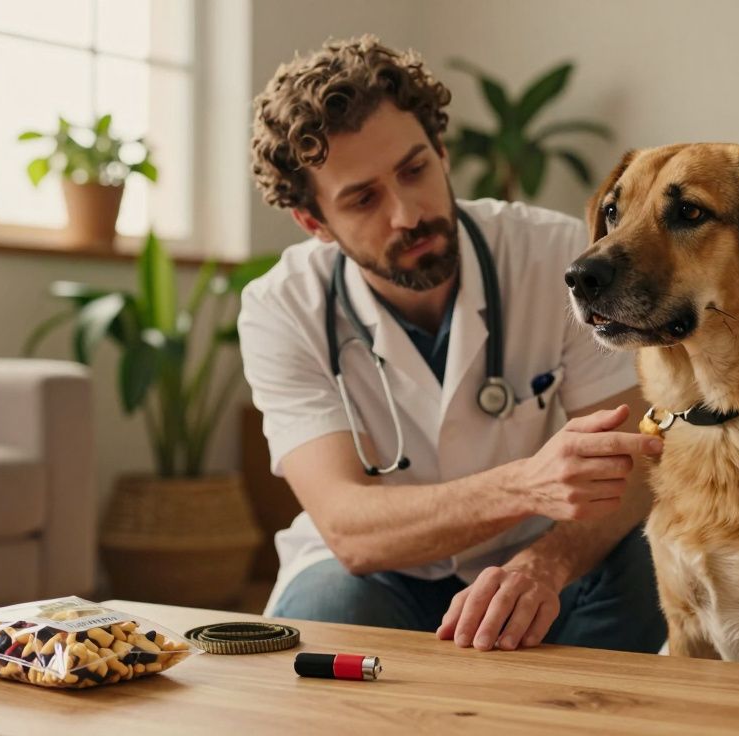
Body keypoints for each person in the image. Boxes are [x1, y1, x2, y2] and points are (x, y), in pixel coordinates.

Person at [238, 35, 665, 654]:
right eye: (363, 199)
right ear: (315, 223)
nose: (407, 213)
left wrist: (544, 564)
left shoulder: (553, 255)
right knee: (326, 612)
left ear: (441, 151)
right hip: (378, 577)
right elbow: (350, 529)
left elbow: (632, 467)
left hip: (539, 558)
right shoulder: (282, 308)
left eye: (415, 170)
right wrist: (524, 485)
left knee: (652, 562)